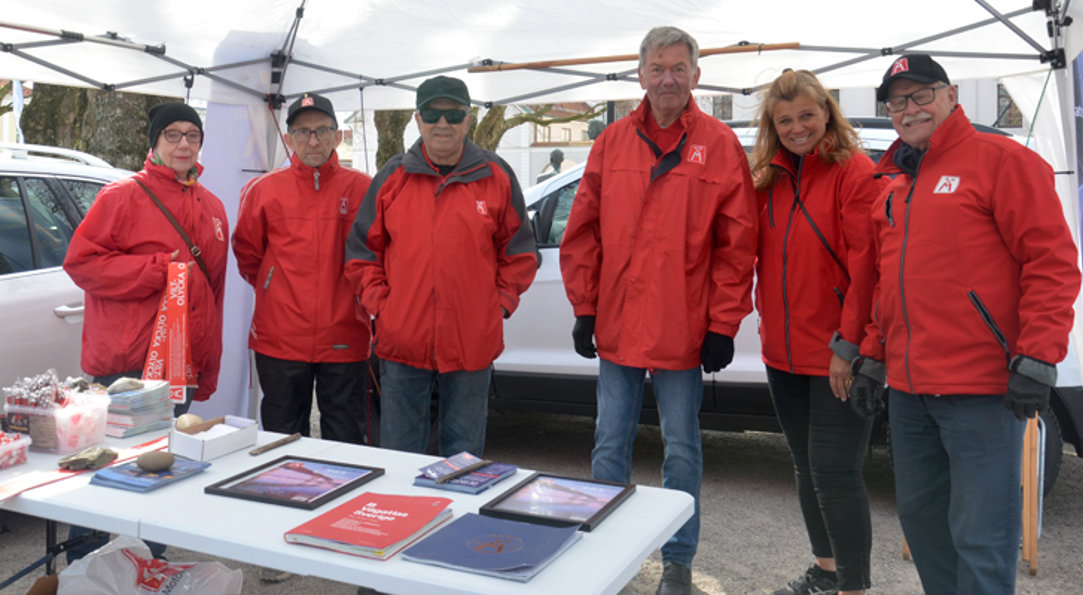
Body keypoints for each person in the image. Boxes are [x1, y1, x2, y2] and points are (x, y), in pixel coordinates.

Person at [849, 54, 1080, 594]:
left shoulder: (1002, 160)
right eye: (897, 101)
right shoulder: (896, 180)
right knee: (925, 527)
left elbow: (1051, 262)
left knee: (983, 536)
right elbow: (891, 284)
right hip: (909, 393)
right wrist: (874, 356)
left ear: (951, 95)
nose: (910, 109)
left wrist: (1040, 354)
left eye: (921, 94)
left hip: (980, 390)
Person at [559, 26, 756, 595]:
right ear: (640, 74)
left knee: (683, 447)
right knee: (607, 442)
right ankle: (608, 551)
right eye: (657, 67)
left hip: (683, 326)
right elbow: (583, 232)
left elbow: (736, 244)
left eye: (678, 68)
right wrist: (585, 306)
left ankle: (678, 562)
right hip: (619, 322)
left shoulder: (718, 145)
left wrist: (722, 324)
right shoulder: (611, 141)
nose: (667, 78)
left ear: (696, 75)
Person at [62, 101, 228, 561]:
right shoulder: (121, 196)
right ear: (153, 142)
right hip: (126, 363)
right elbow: (82, 264)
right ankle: (84, 571)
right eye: (172, 135)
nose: (183, 144)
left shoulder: (212, 206)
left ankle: (149, 566)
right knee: (106, 468)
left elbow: (213, 295)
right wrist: (159, 270)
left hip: (178, 367)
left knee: (163, 470)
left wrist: (204, 367)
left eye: (192, 135)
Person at [345, 75, 537, 458]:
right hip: (402, 344)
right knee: (400, 459)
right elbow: (361, 254)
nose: (443, 124)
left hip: (471, 345)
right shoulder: (392, 178)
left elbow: (521, 253)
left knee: (463, 462)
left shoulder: (496, 177)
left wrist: (496, 305)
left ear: (469, 120)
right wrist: (384, 307)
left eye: (454, 114)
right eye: (433, 113)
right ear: (418, 119)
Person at [751, 69, 886, 595]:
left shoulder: (854, 172)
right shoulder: (768, 177)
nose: (797, 128)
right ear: (773, 125)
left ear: (826, 112)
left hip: (836, 354)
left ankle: (853, 588)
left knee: (835, 473)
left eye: (806, 115)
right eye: (785, 120)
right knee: (806, 468)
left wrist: (848, 347)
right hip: (781, 352)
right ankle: (826, 573)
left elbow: (866, 269)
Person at [233, 93, 373, 445]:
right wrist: (272, 285)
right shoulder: (263, 190)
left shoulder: (363, 189)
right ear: (289, 137)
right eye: (303, 132)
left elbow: (377, 254)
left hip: (345, 333)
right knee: (281, 438)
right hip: (280, 337)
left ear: (338, 136)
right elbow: (248, 255)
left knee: (346, 438)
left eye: (322, 130)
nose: (313, 140)